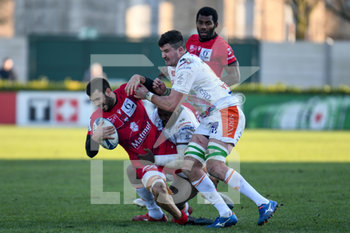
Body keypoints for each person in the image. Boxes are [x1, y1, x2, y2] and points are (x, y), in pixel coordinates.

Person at [130, 30, 278, 228]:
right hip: (210, 117)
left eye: (167, 51)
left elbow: (172, 105)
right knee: (192, 167)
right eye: (162, 51)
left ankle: (264, 203)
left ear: (180, 49)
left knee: (216, 166)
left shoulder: (187, 65)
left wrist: (146, 95)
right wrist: (160, 91)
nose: (163, 55)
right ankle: (225, 213)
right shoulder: (179, 67)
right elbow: (177, 97)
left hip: (226, 112)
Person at [85, 77, 188, 225]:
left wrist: (140, 78)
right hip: (143, 160)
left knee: (196, 170)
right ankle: (181, 218)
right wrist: (95, 138)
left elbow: (155, 88)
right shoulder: (97, 119)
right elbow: (90, 152)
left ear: (108, 91)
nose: (96, 104)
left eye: (97, 99)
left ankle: (189, 206)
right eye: (92, 101)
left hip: (163, 145)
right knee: (159, 190)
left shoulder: (126, 91)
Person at [186, 6, 240, 86]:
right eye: (200, 23)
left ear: (216, 25)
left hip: (208, 97)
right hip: (190, 94)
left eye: (208, 23)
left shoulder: (222, 46)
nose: (203, 27)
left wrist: (210, 87)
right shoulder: (192, 40)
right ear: (196, 23)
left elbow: (235, 77)